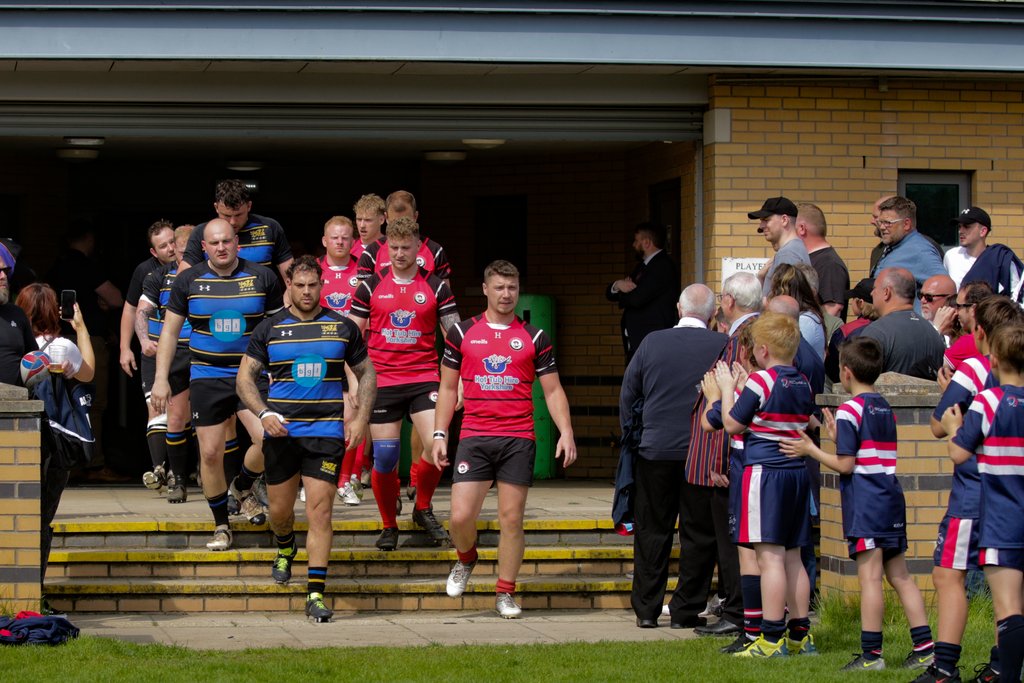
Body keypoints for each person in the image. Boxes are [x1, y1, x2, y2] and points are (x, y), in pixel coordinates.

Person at [431, 259, 576, 618]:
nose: (506, 294)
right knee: (461, 517)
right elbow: (448, 388)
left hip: (518, 437)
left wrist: (567, 432)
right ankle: (466, 558)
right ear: (485, 289)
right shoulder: (462, 333)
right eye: (499, 287)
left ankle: (505, 592)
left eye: (512, 287)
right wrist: (439, 433)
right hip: (475, 436)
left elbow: (554, 391)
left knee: (512, 518)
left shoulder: (535, 336)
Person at [238, 255, 376, 623]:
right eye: (299, 285)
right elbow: (244, 380)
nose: (306, 291)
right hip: (281, 436)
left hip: (326, 434)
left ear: (322, 285)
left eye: (312, 285)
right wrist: (264, 414)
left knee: (320, 512)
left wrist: (361, 419)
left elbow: (368, 374)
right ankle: (285, 546)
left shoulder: (342, 327)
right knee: (281, 513)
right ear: (289, 286)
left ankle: (315, 593)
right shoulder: (268, 328)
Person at [782, 336, 934, 672]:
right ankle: (926, 648)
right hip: (891, 498)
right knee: (901, 576)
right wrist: (839, 438)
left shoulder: (850, 409)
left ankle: (871, 655)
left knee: (869, 578)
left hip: (866, 502)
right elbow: (870, 452)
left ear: (845, 372)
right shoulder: (882, 406)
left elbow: (846, 465)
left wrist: (812, 450)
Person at [150, 219, 283, 551]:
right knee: (209, 453)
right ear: (204, 247)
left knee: (270, 439)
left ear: (237, 242)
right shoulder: (188, 280)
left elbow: (279, 330)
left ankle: (241, 485)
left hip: (249, 377)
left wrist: (280, 373)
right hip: (206, 376)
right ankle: (222, 526)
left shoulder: (263, 277)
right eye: (214, 243)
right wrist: (161, 379)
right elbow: (168, 332)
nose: (221, 247)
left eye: (227, 241)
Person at [926, 296, 1024, 682]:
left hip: (979, 494)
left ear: (982, 334)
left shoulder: (977, 379)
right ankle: (1000, 666)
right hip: (1011, 497)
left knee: (950, 574)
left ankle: (946, 666)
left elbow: (942, 429)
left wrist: (952, 415)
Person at [619, 283, 728, 629]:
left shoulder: (651, 342)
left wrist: (632, 437)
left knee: (652, 530)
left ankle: (646, 610)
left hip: (655, 450)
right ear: (712, 315)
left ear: (679, 310)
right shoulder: (723, 346)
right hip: (702, 453)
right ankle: (685, 610)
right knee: (698, 534)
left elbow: (628, 394)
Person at [349, 216, 460, 551]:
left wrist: (461, 382)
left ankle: (422, 507)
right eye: (394, 248)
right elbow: (351, 335)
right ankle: (388, 525)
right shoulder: (370, 284)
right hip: (382, 378)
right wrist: (354, 381)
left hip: (425, 376)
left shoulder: (437, 284)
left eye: (406, 248)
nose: (399, 254)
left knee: (436, 447)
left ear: (418, 249)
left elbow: (453, 337)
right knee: (384, 457)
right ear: (386, 250)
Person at [717, 312, 815, 658]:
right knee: (793, 557)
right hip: (796, 473)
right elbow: (810, 420)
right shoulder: (802, 381)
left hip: (765, 473)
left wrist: (727, 390)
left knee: (768, 557)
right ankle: (800, 635)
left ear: (761, 350)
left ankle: (771, 640)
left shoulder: (761, 381)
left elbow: (731, 425)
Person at [686, 272, 761, 651]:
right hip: (746, 459)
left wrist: (719, 463)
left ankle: (736, 612)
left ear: (729, 301)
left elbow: (731, 401)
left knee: (734, 545)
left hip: (732, 460)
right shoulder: (753, 334)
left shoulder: (741, 341)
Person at [16, 284, 94, 594]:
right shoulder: (63, 347)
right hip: (57, 439)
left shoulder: (16, 347)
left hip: (21, 441)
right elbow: (88, 373)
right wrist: (82, 328)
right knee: (43, 516)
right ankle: (37, 591)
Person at [47, 219, 123, 479]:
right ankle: (94, 463)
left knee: (64, 401)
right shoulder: (86, 265)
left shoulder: (56, 266)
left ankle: (72, 463)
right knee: (93, 401)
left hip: (56, 341)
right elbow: (116, 298)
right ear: (88, 239)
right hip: (86, 338)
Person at [119, 220, 179, 492]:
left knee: (184, 414)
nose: (169, 248)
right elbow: (131, 309)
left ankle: (189, 471)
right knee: (155, 407)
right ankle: (158, 469)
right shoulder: (145, 271)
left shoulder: (194, 268)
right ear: (154, 252)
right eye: (162, 245)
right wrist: (126, 347)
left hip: (188, 350)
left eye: (172, 241)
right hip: (153, 348)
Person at [136, 225, 195, 503]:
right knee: (167, 413)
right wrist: (144, 339)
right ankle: (169, 474)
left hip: (204, 353)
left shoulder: (213, 275)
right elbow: (140, 311)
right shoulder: (157, 276)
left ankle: (208, 476)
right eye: (173, 248)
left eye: (178, 246)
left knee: (198, 419)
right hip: (168, 353)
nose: (175, 252)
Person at [318, 215, 365, 505]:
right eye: (334, 237)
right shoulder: (313, 269)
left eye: (345, 237)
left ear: (352, 241)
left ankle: (346, 481)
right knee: (319, 420)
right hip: (319, 356)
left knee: (352, 417)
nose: (339, 242)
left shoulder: (364, 271)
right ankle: (315, 479)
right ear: (325, 240)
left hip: (353, 355)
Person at [181, 179, 293, 283]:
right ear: (216, 208)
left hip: (262, 300)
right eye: (226, 215)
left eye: (238, 215)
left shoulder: (270, 227)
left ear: (249, 206)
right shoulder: (202, 232)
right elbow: (183, 277)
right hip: (214, 298)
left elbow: (291, 277)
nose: (233, 222)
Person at [605, 222, 679, 364]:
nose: (634, 245)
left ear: (646, 243)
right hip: (638, 339)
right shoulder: (642, 267)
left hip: (652, 339)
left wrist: (625, 293)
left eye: (636, 240)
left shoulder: (662, 266)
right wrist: (618, 285)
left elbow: (637, 299)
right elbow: (610, 294)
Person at [862, 268, 945, 380]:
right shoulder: (934, 334)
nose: (871, 293)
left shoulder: (877, 332)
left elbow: (862, 384)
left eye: (874, 288)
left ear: (886, 292)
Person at [358, 190, 452, 284]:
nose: (401, 227)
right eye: (395, 223)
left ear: (415, 217)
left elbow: (444, 296)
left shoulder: (435, 251)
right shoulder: (371, 253)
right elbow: (361, 297)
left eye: (406, 221)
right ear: (386, 217)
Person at [870, 196, 946, 297]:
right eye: (881, 222)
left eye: (888, 223)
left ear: (906, 224)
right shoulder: (893, 246)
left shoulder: (920, 251)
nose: (882, 227)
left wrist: (924, 309)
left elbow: (945, 288)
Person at [950, 207, 1024, 297]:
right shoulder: (951, 256)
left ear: (983, 231)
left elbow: (1015, 295)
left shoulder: (999, 259)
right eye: (959, 226)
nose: (960, 231)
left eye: (966, 226)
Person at [748, 196, 810, 297]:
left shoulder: (788, 254)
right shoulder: (793, 250)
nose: (761, 226)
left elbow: (785, 305)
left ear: (784, 220)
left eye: (766, 219)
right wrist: (761, 277)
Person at [796, 203, 849, 319]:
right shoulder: (812, 259)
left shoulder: (829, 264)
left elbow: (832, 310)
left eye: (791, 228)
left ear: (801, 228)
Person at [768, 263, 827, 360]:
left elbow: (784, 356)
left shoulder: (804, 321)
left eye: (775, 291)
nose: (771, 294)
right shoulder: (807, 315)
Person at [825, 279, 878, 384]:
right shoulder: (888, 326)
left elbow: (831, 367)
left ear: (860, 303)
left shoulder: (847, 330)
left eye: (853, 298)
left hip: (850, 387)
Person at [0, 242, 36, 386]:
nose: (3, 276)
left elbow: (35, 358)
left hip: (16, 404)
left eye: (5, 270)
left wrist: (62, 366)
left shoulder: (17, 314)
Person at [943, 281, 994, 372]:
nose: (956, 312)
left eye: (958, 306)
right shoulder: (996, 335)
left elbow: (932, 365)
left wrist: (937, 328)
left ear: (973, 309)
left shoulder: (969, 341)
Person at [920, 274, 959, 339]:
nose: (922, 300)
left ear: (949, 298)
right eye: (920, 295)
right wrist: (937, 328)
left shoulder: (963, 327)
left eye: (928, 297)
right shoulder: (914, 326)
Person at [352, 193, 386, 262]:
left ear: (382, 220)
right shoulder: (349, 248)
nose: (362, 225)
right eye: (359, 219)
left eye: (368, 220)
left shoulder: (392, 247)